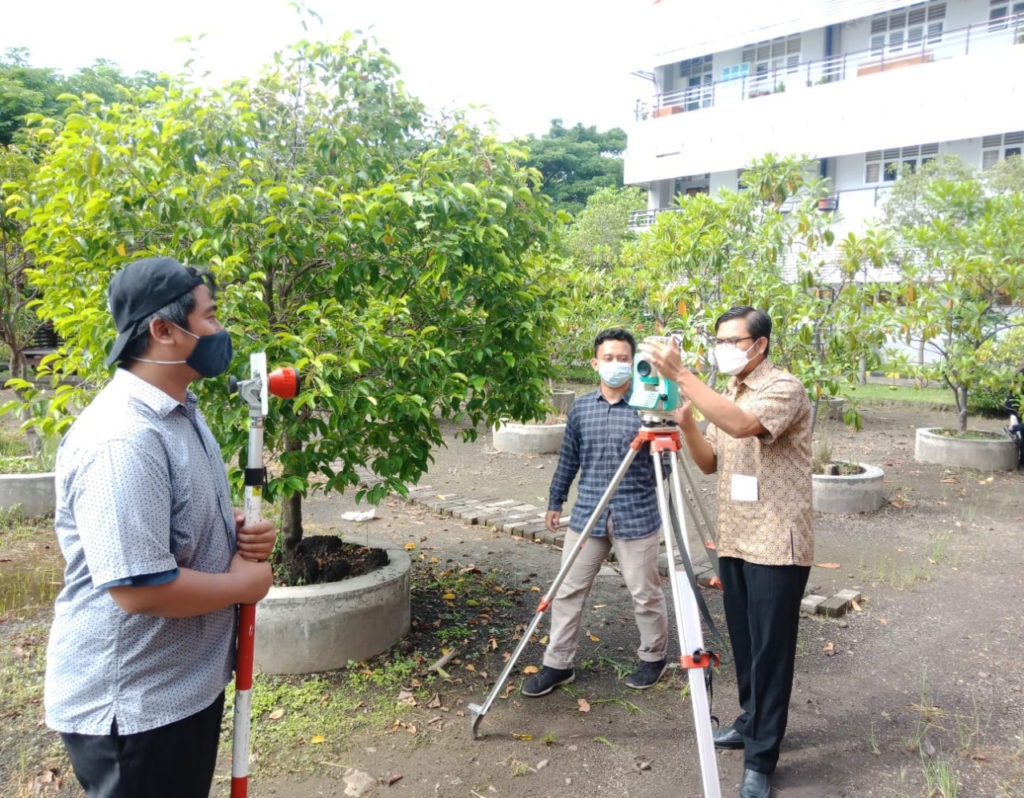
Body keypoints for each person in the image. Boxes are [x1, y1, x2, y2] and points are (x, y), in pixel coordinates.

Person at [44, 257, 276, 798]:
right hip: (136, 704)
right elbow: (136, 588)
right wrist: (245, 584)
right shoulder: (124, 439)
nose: (221, 331)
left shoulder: (178, 411)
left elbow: (167, 522)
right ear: (164, 330)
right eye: (211, 316)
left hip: (180, 686)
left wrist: (234, 525)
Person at [640, 307, 813, 798]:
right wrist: (688, 422)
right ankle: (749, 721)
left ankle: (761, 759)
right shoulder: (729, 392)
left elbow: (741, 427)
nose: (723, 347)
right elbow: (710, 461)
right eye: (718, 339)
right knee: (745, 642)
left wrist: (681, 374)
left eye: (731, 340)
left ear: (758, 345)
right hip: (736, 539)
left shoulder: (783, 388)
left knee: (771, 653)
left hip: (778, 544)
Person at [521, 328, 670, 698]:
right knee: (568, 590)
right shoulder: (582, 408)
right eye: (609, 358)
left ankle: (654, 657)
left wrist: (663, 433)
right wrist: (555, 500)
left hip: (636, 516)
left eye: (624, 358)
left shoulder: (650, 406)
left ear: (634, 363)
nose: (616, 365)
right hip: (588, 514)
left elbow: (665, 469)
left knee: (644, 593)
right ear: (595, 363)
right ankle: (558, 665)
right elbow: (569, 458)